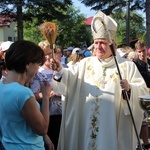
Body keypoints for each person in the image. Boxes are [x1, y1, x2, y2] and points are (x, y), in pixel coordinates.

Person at [50, 10, 149, 150]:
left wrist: (130, 89)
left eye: (102, 42)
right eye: (96, 42)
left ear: (112, 43)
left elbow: (143, 92)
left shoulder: (126, 66)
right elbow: (69, 81)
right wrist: (59, 70)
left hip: (113, 127)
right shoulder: (85, 64)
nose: (98, 47)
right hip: (86, 126)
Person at [0, 40, 54, 150]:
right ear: (28, 65)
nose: (37, 70)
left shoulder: (2, 85)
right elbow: (42, 129)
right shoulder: (22, 93)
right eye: (37, 65)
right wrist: (46, 96)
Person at [30, 41, 62, 150]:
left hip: (64, 114)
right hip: (47, 116)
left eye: (51, 53)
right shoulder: (37, 73)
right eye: (45, 54)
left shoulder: (62, 70)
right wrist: (48, 94)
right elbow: (33, 96)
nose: (48, 57)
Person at [134, 40, 150, 149]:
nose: (142, 54)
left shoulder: (149, 63)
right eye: (139, 52)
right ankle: (142, 144)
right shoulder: (134, 64)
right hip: (140, 97)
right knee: (142, 122)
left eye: (143, 51)